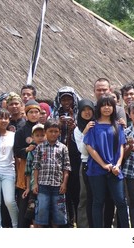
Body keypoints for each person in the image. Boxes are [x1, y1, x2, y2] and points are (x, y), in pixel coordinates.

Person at [84, 94, 129, 228]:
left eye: (109, 105)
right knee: (98, 201)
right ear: (99, 108)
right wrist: (104, 164)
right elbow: (90, 147)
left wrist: (118, 165)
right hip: (97, 169)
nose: (106, 108)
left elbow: (121, 146)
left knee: (121, 201)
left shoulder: (118, 125)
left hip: (115, 169)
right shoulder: (93, 125)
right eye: (103, 105)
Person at [32, 120, 71, 228]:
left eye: (56, 131)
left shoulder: (63, 148)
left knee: (58, 212)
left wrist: (64, 183)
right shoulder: (40, 147)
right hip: (43, 185)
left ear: (59, 132)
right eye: (50, 131)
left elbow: (66, 167)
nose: (53, 134)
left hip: (58, 186)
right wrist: (35, 183)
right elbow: (36, 166)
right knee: (41, 211)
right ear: (45, 132)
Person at [51, 86, 81, 227]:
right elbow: (49, 132)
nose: (66, 102)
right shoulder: (55, 114)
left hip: (76, 155)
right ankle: (67, 220)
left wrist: (74, 126)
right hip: (59, 156)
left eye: (69, 98)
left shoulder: (79, 113)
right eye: (63, 99)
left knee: (76, 187)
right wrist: (59, 124)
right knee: (64, 189)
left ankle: (78, 219)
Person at [12, 99, 40, 228]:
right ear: (26, 114)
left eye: (36, 112)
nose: (34, 115)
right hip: (25, 170)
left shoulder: (43, 129)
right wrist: (27, 150)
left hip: (41, 171)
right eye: (31, 112)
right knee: (24, 202)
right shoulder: (21, 131)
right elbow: (16, 151)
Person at [73, 99, 95, 228]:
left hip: (100, 164)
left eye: (89, 109)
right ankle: (83, 226)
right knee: (84, 196)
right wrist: (85, 131)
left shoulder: (99, 124)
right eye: (84, 110)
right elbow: (82, 150)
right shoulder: (78, 129)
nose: (87, 112)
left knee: (99, 197)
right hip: (86, 163)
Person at [22, 123, 46, 223]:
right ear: (32, 137)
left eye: (42, 135)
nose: (40, 138)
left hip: (46, 184)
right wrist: (28, 187)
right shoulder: (31, 152)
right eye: (37, 135)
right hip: (34, 186)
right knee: (34, 212)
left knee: (45, 210)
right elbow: (28, 171)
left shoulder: (50, 149)